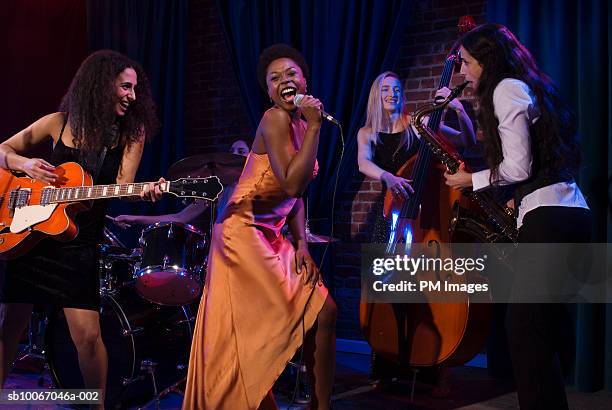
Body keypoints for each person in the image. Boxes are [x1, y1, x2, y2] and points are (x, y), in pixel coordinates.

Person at [0, 49, 162, 407]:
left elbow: (125, 186)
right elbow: (2, 150)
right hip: (30, 238)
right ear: (100, 85)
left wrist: (147, 191)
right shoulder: (57, 122)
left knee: (88, 337)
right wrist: (23, 163)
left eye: (135, 89)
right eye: (125, 87)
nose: (132, 96)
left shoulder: (131, 133)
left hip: (77, 245)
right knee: (8, 327)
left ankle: (97, 405)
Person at [444, 24, 591, 409]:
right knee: (541, 333)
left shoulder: (506, 89)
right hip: (565, 212)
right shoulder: (524, 86)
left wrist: (470, 179)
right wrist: (516, 202)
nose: (461, 72)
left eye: (465, 62)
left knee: (524, 330)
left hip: (550, 220)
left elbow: (518, 167)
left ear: (485, 61)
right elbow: (536, 164)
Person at [183, 44, 337, 410]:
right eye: (274, 77)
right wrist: (315, 125)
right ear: (268, 91)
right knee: (264, 330)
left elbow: (296, 198)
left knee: (325, 310)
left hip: (270, 234)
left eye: (291, 73)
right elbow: (292, 184)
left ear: (304, 80)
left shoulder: (300, 124)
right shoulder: (274, 119)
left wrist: (301, 242)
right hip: (240, 233)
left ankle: (320, 406)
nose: (284, 80)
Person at [357, 71, 476, 243]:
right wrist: (387, 176)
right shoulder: (367, 132)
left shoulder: (419, 123)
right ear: (376, 95)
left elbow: (466, 140)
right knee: (384, 265)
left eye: (397, 90)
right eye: (386, 89)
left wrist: (460, 110)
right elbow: (363, 162)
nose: (392, 94)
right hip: (391, 210)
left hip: (422, 208)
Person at [109, 139, 250, 228]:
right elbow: (180, 217)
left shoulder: (258, 186)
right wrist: (133, 218)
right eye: (231, 151)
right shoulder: (217, 190)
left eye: (241, 151)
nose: (235, 154)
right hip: (225, 246)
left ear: (250, 156)